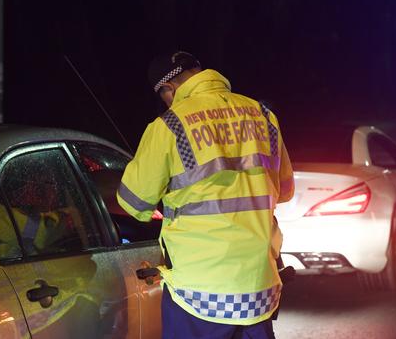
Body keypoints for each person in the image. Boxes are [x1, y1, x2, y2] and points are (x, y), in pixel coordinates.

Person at [116, 51, 294, 338]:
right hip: (260, 285)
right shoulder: (263, 116)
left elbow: (135, 203)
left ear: (169, 89)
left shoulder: (171, 125)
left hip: (199, 290)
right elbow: (284, 191)